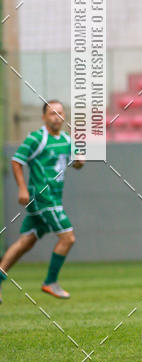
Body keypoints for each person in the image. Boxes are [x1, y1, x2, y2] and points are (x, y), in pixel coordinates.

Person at [0, 100, 84, 302]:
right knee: (68, 238)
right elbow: (17, 161)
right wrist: (22, 187)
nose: (57, 117)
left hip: (54, 197)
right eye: (53, 113)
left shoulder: (66, 140)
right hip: (42, 197)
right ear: (44, 117)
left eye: (61, 113)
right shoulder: (37, 138)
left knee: (25, 242)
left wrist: (79, 162)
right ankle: (50, 282)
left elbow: (76, 164)